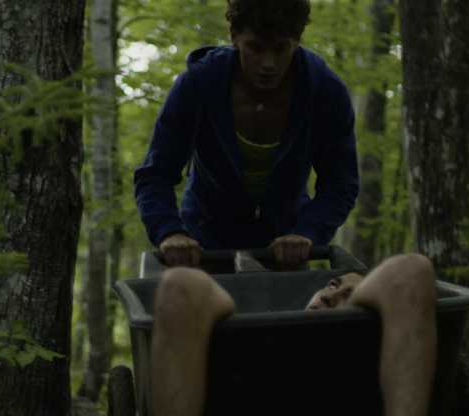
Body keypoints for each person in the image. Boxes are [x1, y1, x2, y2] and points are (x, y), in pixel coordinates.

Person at [134, 0, 359, 269]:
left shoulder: (324, 91)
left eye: (280, 49)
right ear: (234, 37)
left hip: (288, 248)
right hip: (202, 244)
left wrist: (308, 232)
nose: (268, 63)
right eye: (255, 47)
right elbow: (155, 173)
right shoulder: (200, 83)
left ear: (297, 41)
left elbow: (340, 182)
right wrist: (170, 232)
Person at [151, 253, 437, 416]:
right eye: (331, 284)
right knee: (178, 283)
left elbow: (408, 274)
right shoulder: (255, 322)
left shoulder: (374, 345)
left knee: (412, 268)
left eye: (347, 295)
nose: (328, 295)